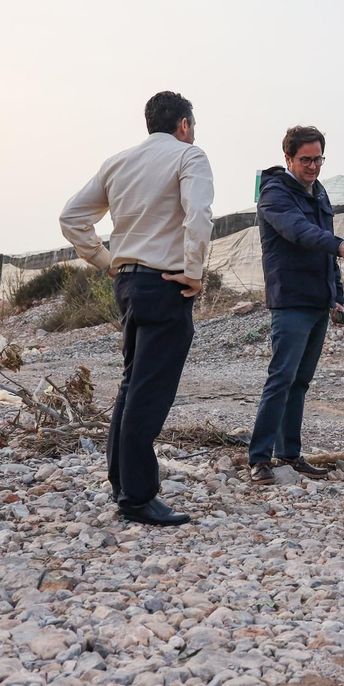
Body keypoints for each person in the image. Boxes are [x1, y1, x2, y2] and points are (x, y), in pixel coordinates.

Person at [60, 91, 214, 526]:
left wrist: (107, 261)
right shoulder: (189, 156)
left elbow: (72, 217)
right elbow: (198, 215)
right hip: (166, 283)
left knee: (133, 384)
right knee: (149, 391)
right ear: (183, 124)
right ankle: (138, 496)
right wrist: (195, 271)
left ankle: (122, 482)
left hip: (128, 283)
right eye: (193, 125)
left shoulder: (118, 162)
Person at [248, 125, 344, 485]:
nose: (313, 166)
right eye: (306, 160)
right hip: (290, 301)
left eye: (318, 159)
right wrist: (340, 244)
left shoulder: (319, 192)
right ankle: (259, 459)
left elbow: (325, 254)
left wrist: (338, 298)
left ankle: (290, 454)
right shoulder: (273, 194)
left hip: (318, 301)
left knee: (300, 382)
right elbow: (300, 232)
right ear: (288, 158)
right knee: (281, 378)